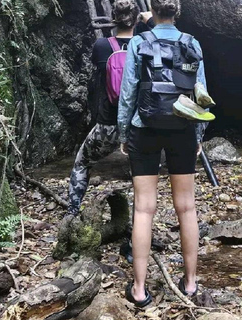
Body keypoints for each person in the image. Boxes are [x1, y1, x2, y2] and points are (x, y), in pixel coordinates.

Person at [118, 0, 206, 306]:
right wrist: (198, 136)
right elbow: (200, 93)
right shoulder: (192, 43)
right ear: (177, 11)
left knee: (143, 209)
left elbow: (128, 91)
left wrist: (124, 132)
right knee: (186, 207)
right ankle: (191, 284)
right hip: (182, 127)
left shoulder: (139, 42)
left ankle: (140, 290)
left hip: (145, 125)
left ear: (152, 11)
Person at [67, 0, 140, 216]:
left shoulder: (102, 47)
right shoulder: (144, 44)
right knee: (142, 173)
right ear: (136, 19)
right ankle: (140, 220)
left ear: (113, 19)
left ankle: (72, 211)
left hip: (109, 123)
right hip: (138, 123)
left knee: (82, 163)